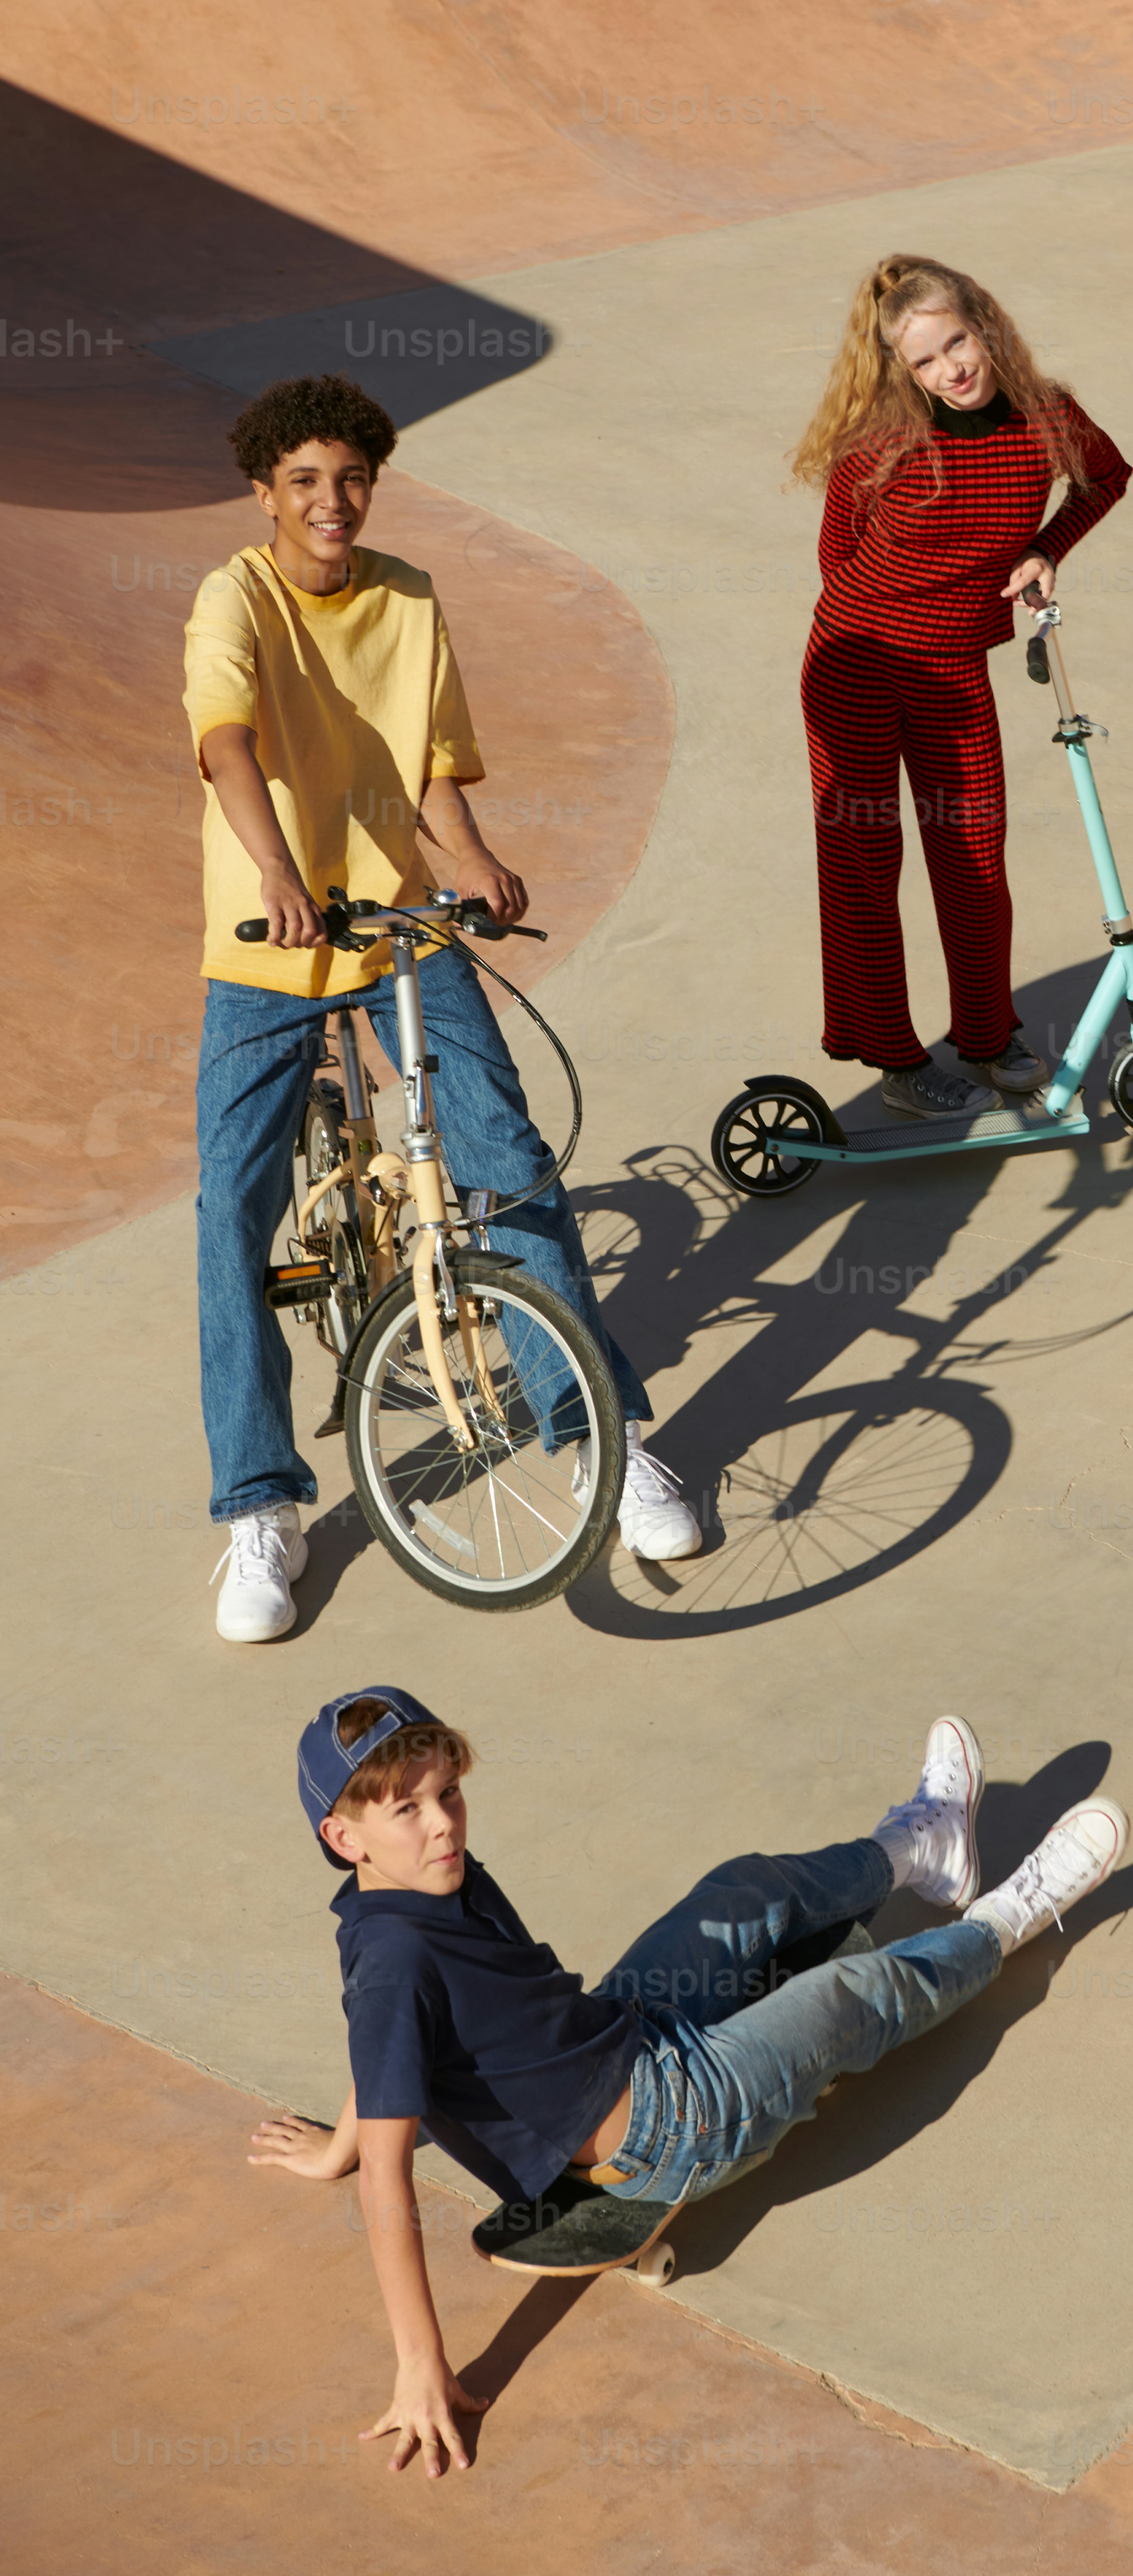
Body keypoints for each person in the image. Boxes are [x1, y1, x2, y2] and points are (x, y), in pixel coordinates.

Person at [250, 1684, 1129, 2478]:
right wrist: (418, 2367)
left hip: (626, 2030)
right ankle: (1011, 1916)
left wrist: (335, 2150)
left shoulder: (423, 1881)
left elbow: (389, 2062)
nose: (443, 1823)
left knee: (742, 1893)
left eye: (448, 1792)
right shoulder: (393, 1961)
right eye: (407, 1809)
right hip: (674, 2122)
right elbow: (391, 2168)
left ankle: (920, 1850)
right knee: (852, 1995)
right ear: (343, 1837)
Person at [184, 373, 699, 1643]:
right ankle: (261, 1506)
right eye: (303, 481)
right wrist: (277, 873)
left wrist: (468, 860)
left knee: (506, 1162)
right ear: (265, 491)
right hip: (273, 931)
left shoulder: (408, 596)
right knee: (231, 1203)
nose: (331, 503)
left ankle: (597, 1436)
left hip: (398, 919)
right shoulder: (231, 598)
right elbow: (228, 743)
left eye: (351, 478)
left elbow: (424, 768)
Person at [792, 254, 1133, 1118]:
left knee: (975, 859)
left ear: (984, 325)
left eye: (958, 342)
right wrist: (903, 615)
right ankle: (896, 1059)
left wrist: (1044, 549)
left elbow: (1107, 478)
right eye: (927, 360)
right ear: (904, 371)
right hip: (858, 663)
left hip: (953, 670)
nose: (954, 368)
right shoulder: (881, 442)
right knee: (867, 862)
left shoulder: (1048, 415)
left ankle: (986, 1036)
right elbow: (837, 562)